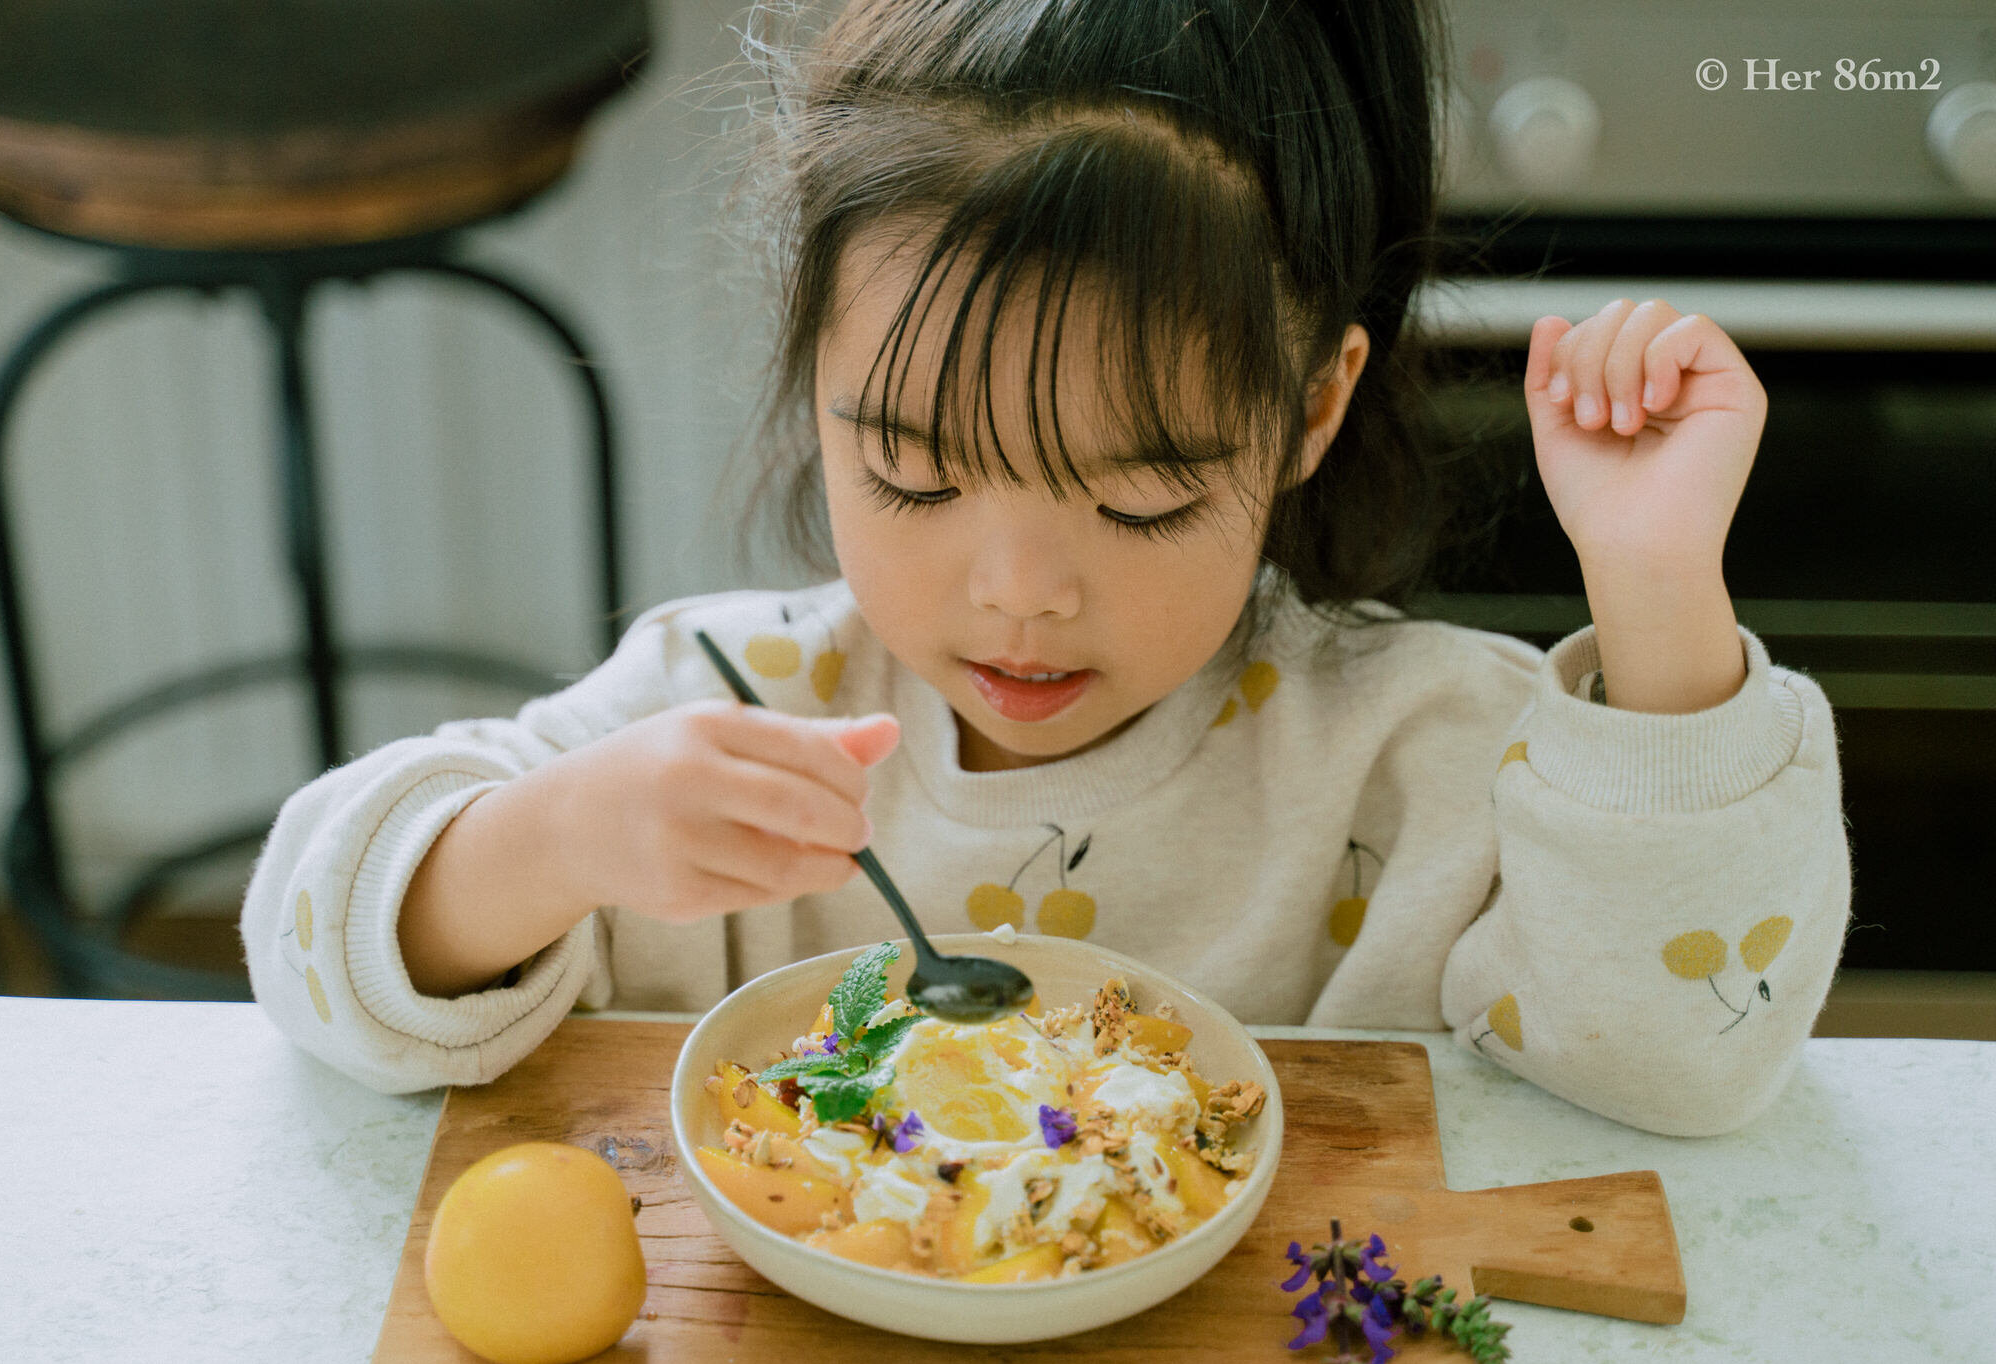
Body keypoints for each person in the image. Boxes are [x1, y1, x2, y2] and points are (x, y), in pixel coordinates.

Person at [241, 0, 1848, 1136]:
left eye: (1138, 500)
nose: (1017, 589)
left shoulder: (1415, 758)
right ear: (816, 384)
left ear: (1309, 407)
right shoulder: (725, 704)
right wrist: (549, 837)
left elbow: (1685, 1067)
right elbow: (313, 948)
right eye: (915, 474)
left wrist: (1656, 596)